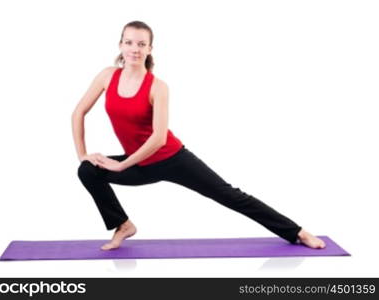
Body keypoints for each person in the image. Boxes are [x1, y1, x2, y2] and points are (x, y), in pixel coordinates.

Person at [72, 20, 326, 251]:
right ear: (120, 45)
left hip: (171, 158)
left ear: (150, 49)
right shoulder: (107, 76)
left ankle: (298, 232)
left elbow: (159, 138)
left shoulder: (158, 87)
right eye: (129, 42)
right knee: (87, 170)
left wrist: (123, 164)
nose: (134, 49)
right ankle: (123, 225)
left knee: (230, 195)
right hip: (138, 162)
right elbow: (78, 112)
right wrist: (83, 154)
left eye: (141, 44)